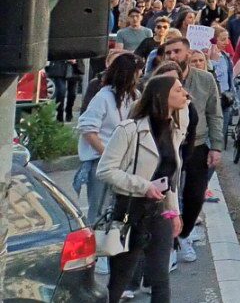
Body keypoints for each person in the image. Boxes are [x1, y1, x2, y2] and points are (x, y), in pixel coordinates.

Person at [98, 72, 188, 303]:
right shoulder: (129, 130)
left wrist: (174, 212)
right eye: (178, 90)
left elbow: (170, 178)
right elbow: (105, 170)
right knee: (120, 278)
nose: (185, 94)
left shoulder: (174, 130)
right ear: (162, 96)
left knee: (160, 278)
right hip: (129, 210)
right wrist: (143, 186)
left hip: (159, 211)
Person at [159, 37, 223, 266]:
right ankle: (170, 243)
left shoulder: (205, 79)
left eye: (177, 51)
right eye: (168, 52)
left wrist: (216, 146)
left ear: (187, 53)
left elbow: (214, 113)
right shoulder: (160, 80)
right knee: (168, 196)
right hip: (168, 146)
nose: (172, 56)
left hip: (197, 144)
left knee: (195, 195)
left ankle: (184, 234)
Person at [77, 53, 140, 230]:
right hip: (102, 161)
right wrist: (108, 155)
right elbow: (88, 129)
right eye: (137, 74)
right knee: (99, 210)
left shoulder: (134, 95)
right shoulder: (103, 97)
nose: (139, 78)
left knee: (117, 208)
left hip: (124, 161)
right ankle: (95, 243)